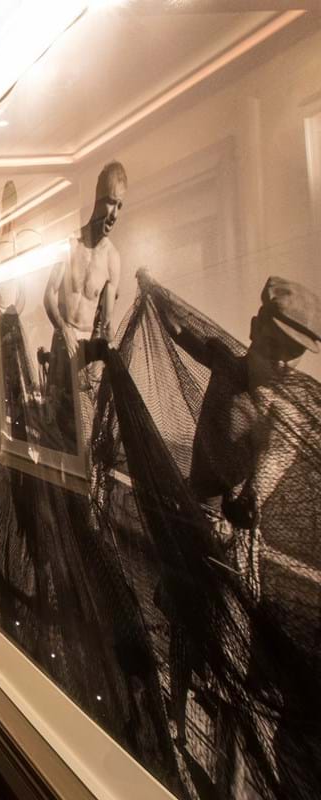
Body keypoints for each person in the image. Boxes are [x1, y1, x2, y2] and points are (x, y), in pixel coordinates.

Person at [142, 270, 320, 793]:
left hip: (234, 541)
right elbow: (181, 329)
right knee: (181, 619)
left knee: (229, 654)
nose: (283, 361)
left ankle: (230, 775)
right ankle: (175, 717)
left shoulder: (287, 408)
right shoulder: (225, 361)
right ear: (254, 329)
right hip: (191, 515)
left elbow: (266, 473)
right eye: (275, 345)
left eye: (294, 353)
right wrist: (152, 290)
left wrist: (246, 501)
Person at [43, 161, 127, 450]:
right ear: (97, 198)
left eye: (120, 205)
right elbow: (49, 295)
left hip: (87, 358)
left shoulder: (113, 259)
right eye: (111, 202)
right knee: (54, 431)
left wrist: (108, 351)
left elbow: (106, 323)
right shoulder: (69, 244)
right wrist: (63, 329)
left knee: (84, 438)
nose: (115, 214)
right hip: (61, 345)